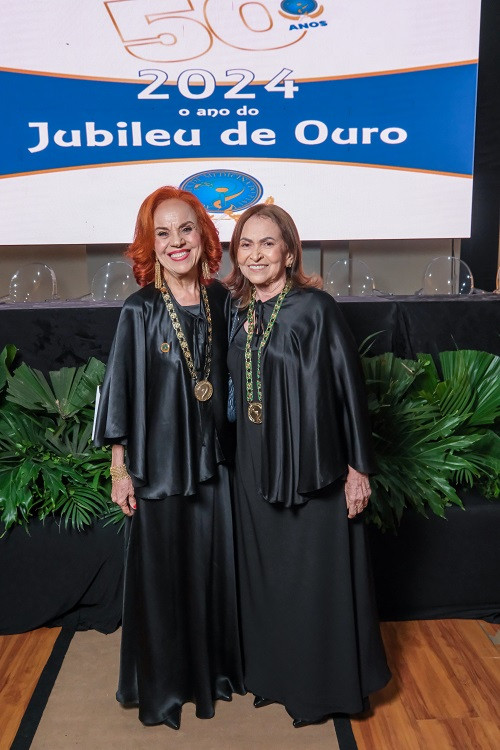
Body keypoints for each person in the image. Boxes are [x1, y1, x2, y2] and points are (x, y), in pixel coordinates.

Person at [225, 203, 390, 726]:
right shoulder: (239, 310)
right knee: (268, 578)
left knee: (312, 579)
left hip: (311, 466)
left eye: (267, 243)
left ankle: (323, 689)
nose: (255, 254)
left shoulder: (315, 308)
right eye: (245, 244)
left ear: (290, 252)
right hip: (251, 466)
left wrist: (358, 469)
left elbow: (348, 388)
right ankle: (275, 677)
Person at [94, 186, 244, 729]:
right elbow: (118, 395)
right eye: (163, 233)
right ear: (149, 245)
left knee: (212, 570)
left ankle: (214, 674)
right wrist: (120, 469)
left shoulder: (223, 300)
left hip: (217, 462)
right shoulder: (139, 310)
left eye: (186, 229)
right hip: (159, 464)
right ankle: (163, 688)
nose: (176, 242)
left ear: (203, 236)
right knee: (162, 577)